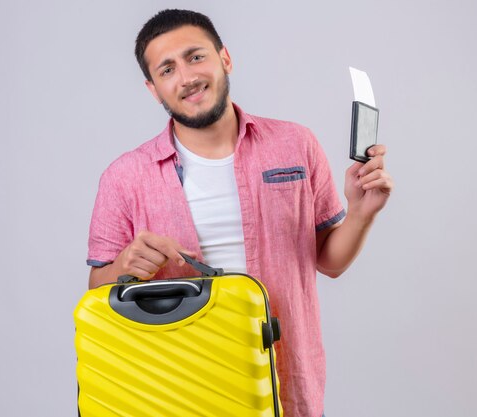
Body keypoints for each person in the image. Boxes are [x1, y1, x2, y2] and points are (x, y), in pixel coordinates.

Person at [86, 9, 393, 417]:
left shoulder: (295, 145)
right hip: (174, 386)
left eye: (196, 57)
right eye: (167, 69)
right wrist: (125, 264)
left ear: (224, 58)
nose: (187, 77)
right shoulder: (123, 178)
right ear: (153, 89)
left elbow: (329, 262)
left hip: (283, 377)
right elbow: (96, 289)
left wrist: (360, 213)